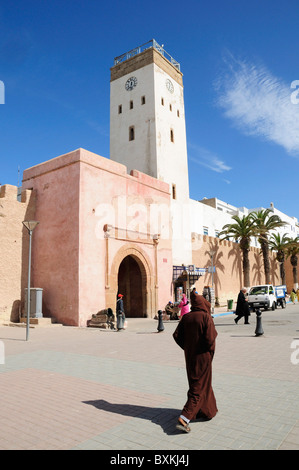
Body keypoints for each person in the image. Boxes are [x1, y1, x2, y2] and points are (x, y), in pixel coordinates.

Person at [173, 293, 218, 433]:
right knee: (198, 386)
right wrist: (208, 351)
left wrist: (188, 347)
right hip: (203, 357)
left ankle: (207, 410)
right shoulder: (205, 317)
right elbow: (210, 338)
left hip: (190, 356)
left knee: (199, 382)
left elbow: (176, 335)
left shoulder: (186, 317)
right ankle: (185, 417)